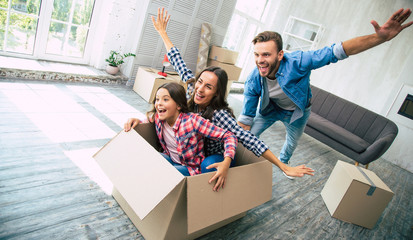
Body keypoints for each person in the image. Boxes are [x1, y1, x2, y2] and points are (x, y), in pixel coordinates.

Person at [125, 7, 314, 180]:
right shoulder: (192, 90)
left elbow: (247, 138)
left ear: (216, 93)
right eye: (200, 82)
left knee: (209, 166)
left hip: (210, 156)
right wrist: (163, 33)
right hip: (188, 151)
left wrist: (282, 165)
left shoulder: (219, 115)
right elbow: (179, 62)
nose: (200, 89)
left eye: (208, 87)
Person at [237, 8, 413, 170]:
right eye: (257, 54)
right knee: (248, 134)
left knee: (291, 143)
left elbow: (336, 51)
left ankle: (285, 165)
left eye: (266, 54)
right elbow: (245, 120)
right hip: (271, 109)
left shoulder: (298, 61)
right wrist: (231, 151)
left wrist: (378, 38)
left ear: (280, 55)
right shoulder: (254, 78)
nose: (260, 60)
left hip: (297, 113)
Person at [133, 82, 237, 191]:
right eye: (157, 99)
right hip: (170, 159)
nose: (159, 103)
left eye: (165, 99)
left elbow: (229, 136)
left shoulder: (192, 121)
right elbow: (146, 121)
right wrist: (137, 121)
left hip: (190, 168)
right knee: (149, 158)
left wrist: (226, 162)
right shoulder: (159, 118)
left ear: (178, 105)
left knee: (166, 175)